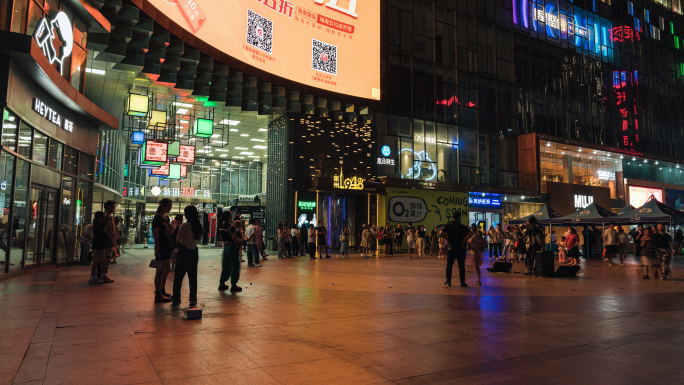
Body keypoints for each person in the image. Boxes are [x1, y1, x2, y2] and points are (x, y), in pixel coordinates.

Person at [171, 205, 202, 306]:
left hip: (184, 251)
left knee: (179, 276)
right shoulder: (199, 225)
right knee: (193, 277)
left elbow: (177, 240)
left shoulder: (184, 226)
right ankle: (193, 299)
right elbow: (197, 239)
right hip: (194, 251)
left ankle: (176, 299)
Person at [152, 198, 173, 302]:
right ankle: (158, 294)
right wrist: (157, 248)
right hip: (161, 246)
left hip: (167, 246)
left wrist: (173, 227)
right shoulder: (157, 218)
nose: (170, 208)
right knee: (160, 271)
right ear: (163, 206)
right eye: (168, 206)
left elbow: (169, 232)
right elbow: (156, 234)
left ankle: (162, 290)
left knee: (166, 270)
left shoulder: (166, 218)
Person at [443, 211, 471, 287]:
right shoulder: (461, 226)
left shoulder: (448, 225)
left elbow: (440, 233)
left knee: (449, 266)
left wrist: (447, 239)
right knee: (461, 266)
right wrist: (465, 240)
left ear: (452, 217)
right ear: (459, 218)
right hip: (460, 247)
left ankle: (448, 281)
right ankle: (462, 282)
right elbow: (470, 233)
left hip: (451, 248)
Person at [218, 211, 243, 291]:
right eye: (231, 216)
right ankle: (233, 285)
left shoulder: (221, 226)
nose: (232, 217)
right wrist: (242, 241)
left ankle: (222, 283)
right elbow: (235, 239)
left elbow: (221, 239)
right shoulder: (231, 227)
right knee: (234, 266)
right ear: (229, 217)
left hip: (225, 247)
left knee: (225, 266)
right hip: (232, 247)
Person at [88, 212, 112, 285]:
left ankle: (101, 276)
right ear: (99, 217)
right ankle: (92, 278)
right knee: (96, 261)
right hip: (98, 245)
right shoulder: (97, 224)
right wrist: (109, 224)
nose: (104, 217)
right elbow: (104, 231)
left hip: (101, 244)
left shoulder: (99, 224)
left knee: (102, 260)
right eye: (103, 216)